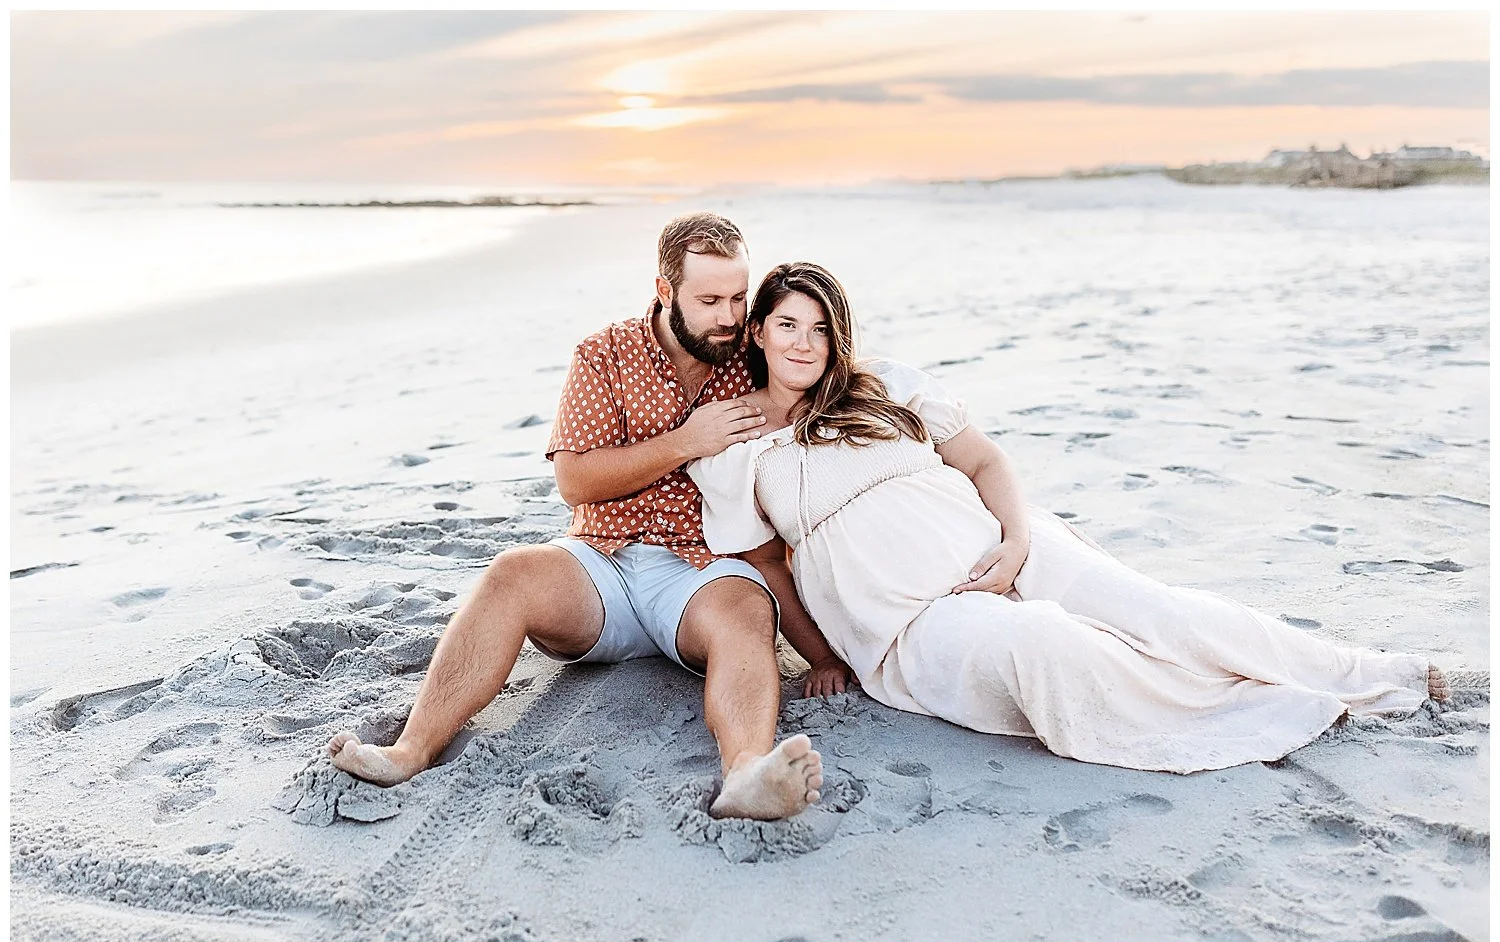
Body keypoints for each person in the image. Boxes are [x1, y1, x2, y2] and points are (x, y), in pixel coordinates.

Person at [687, 262, 1451, 774]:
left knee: (1165, 613)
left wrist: (1017, 543)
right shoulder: (739, 442)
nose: (806, 343)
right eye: (788, 325)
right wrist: (825, 657)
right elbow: (769, 565)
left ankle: (1377, 675)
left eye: (821, 328)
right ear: (758, 331)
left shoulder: (883, 386)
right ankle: (1269, 708)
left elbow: (986, 462)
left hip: (1001, 544)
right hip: (913, 619)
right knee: (1044, 644)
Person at [326, 212, 823, 820]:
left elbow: (823, 362)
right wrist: (684, 442)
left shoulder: (753, 351)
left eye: (738, 298)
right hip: (601, 563)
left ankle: (746, 773)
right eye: (709, 300)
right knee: (510, 572)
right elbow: (574, 481)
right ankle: (408, 751)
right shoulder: (604, 355)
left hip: (702, 572)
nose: (728, 316)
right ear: (665, 291)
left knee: (749, 610)